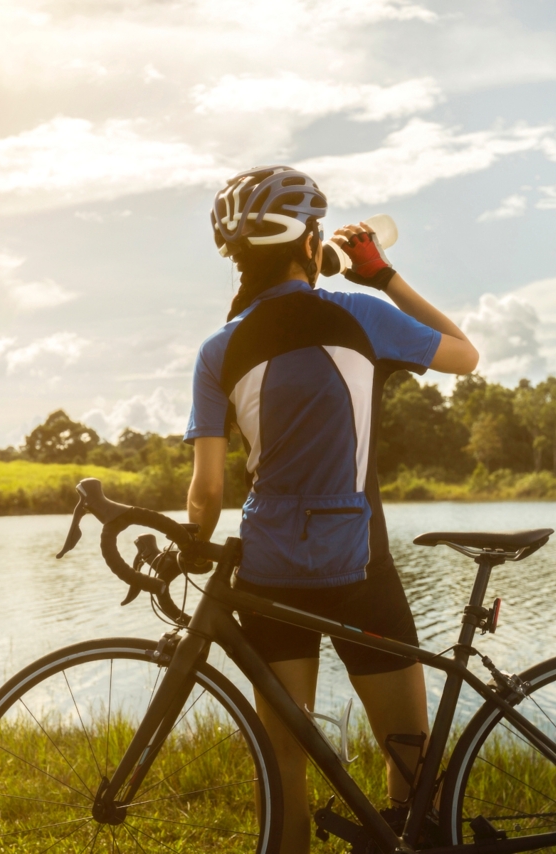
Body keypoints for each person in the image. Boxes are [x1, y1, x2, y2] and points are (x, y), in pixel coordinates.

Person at [183, 165, 478, 853]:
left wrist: (191, 543)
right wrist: (382, 277)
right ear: (310, 241)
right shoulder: (360, 315)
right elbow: (466, 355)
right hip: (360, 568)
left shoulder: (217, 351)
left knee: (283, 766)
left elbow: (207, 493)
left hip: (268, 571)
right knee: (409, 754)